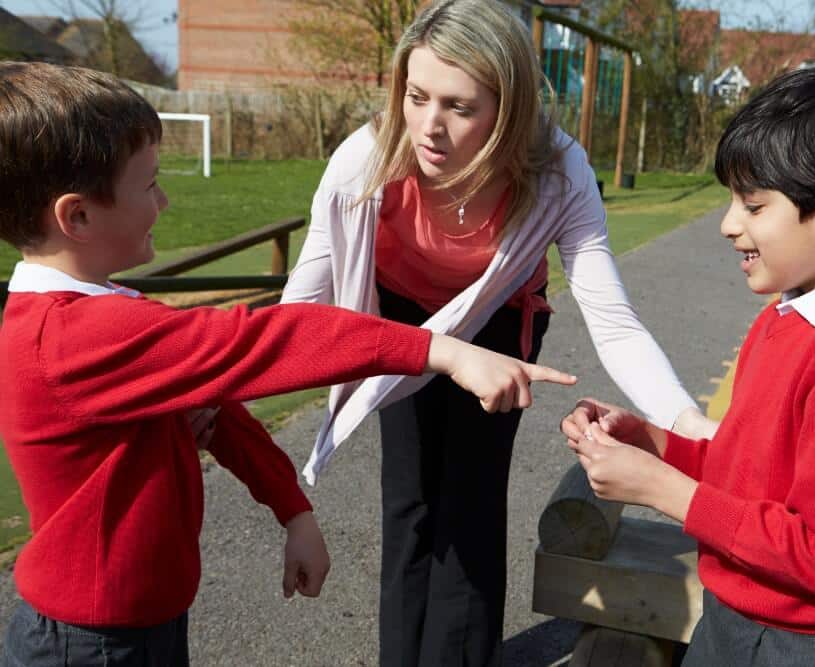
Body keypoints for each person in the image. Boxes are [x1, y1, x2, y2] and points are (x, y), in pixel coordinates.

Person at [0, 62, 576, 666]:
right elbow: (264, 342)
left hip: (138, 622)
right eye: (148, 185)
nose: (164, 200)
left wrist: (292, 509)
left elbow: (217, 411)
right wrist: (441, 349)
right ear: (78, 217)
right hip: (90, 645)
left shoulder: (108, 314)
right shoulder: (71, 337)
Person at [280, 0, 714, 663]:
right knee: (411, 498)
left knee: (471, 501)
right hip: (405, 319)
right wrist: (217, 392)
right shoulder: (366, 159)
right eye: (417, 96)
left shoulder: (557, 173)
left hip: (500, 321)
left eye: (459, 106)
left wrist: (689, 423)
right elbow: (300, 305)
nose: (429, 126)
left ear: (507, 108)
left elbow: (615, 323)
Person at [563, 63, 815, 666]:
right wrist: (655, 447)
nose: (728, 224)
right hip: (738, 617)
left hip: (811, 646)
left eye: (753, 205)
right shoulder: (791, 312)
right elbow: (755, 471)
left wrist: (667, 492)